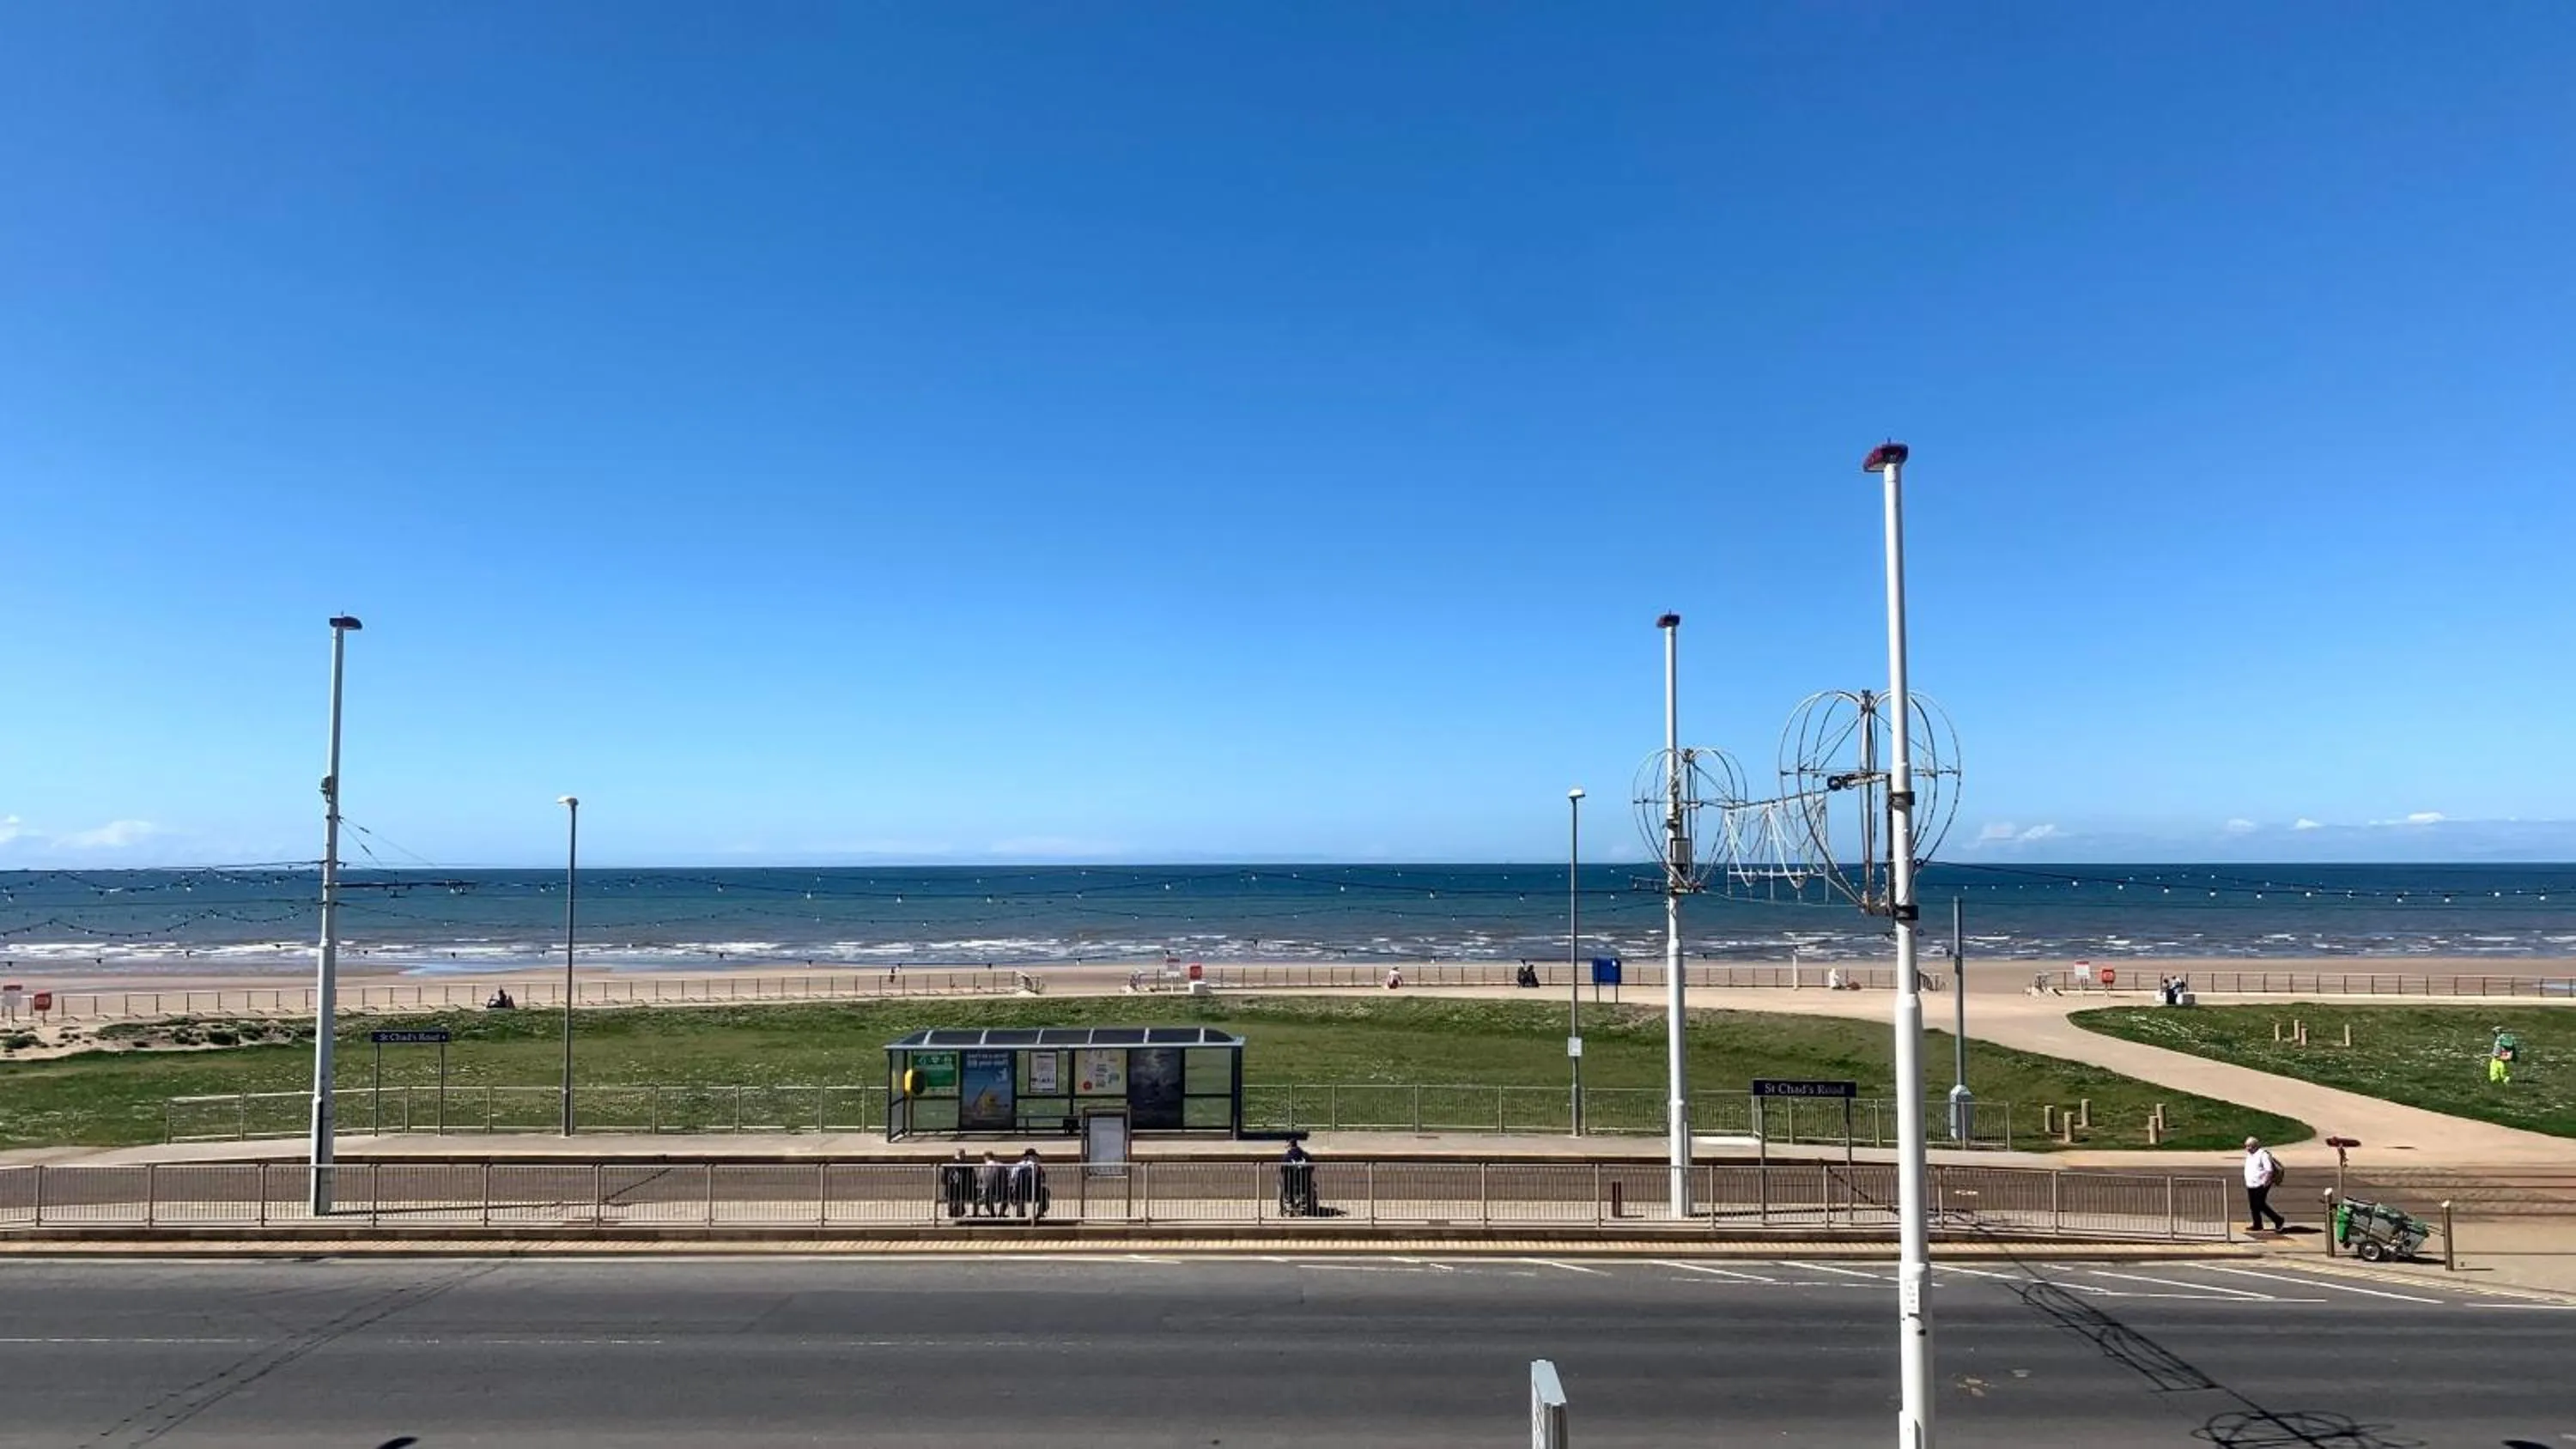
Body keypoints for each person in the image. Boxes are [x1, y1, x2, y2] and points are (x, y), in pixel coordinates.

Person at [2242, 1137, 2287, 1233]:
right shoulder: (2250, 1155)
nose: (2247, 1148)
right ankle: (2257, 1224)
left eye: (2249, 1146)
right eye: (2246, 1146)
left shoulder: (2263, 1155)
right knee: (2253, 1205)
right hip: (2251, 1184)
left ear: (2255, 1146)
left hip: (2261, 1184)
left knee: (2260, 1204)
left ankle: (2278, 1220)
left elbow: (2269, 1170)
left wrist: (2265, 1182)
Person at [1280, 1139, 1316, 1216]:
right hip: (1305, 1185)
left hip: (1290, 1186)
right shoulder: (1306, 1156)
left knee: (1282, 1185)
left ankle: (1288, 1206)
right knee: (1313, 1185)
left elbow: (1283, 1171)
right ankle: (1311, 1207)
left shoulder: (1286, 1157)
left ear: (1289, 1145)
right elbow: (1312, 1168)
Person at [1010, 1149, 1047, 1220]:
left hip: (1019, 1192)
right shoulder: (1037, 1166)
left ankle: (1020, 1214)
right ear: (1033, 1157)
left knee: (1018, 1194)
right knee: (1045, 1192)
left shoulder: (1017, 1165)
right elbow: (1043, 1180)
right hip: (1034, 1192)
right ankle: (1040, 1212)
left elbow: (1012, 1178)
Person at [976, 1151, 1007, 1217]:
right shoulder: (1001, 1165)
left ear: (985, 1158)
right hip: (1000, 1189)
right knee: (1006, 1198)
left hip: (987, 1189)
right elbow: (1005, 1177)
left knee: (987, 1199)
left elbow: (980, 1179)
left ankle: (992, 1212)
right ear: (993, 1157)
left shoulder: (983, 1167)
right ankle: (1001, 1213)